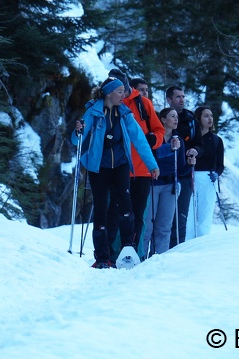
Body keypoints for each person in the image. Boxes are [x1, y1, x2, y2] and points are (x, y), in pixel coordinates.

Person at [71, 76, 160, 269]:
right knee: (101, 209)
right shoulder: (93, 112)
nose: (124, 95)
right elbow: (76, 141)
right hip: (98, 167)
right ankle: (102, 256)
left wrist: (152, 165)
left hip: (120, 165)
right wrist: (78, 131)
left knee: (125, 205)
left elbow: (140, 140)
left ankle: (128, 247)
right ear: (109, 93)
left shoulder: (125, 114)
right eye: (120, 92)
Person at [105, 69, 165, 260]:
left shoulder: (143, 104)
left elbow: (159, 130)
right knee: (114, 213)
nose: (120, 92)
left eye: (122, 88)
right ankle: (111, 254)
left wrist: (152, 140)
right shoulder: (111, 103)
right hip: (117, 168)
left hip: (141, 170)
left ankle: (133, 254)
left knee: (138, 215)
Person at [142, 108, 193, 257]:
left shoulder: (179, 141)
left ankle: (158, 258)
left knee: (164, 226)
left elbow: (181, 169)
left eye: (176, 116)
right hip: (153, 184)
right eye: (172, 116)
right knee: (148, 226)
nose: (176, 119)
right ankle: (142, 257)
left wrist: (190, 165)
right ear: (163, 119)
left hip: (170, 186)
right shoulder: (154, 138)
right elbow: (150, 157)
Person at [165, 86, 204, 248]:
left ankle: (176, 251)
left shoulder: (191, 121)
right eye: (178, 97)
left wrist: (195, 150)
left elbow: (200, 145)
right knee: (163, 218)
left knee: (180, 218)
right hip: (164, 176)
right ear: (169, 100)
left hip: (185, 174)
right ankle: (158, 252)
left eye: (183, 97)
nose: (182, 100)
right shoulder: (162, 118)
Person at [186, 106, 225, 238]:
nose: (210, 119)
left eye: (211, 116)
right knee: (189, 212)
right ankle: (187, 242)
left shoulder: (216, 140)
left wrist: (216, 174)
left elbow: (220, 165)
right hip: (191, 176)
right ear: (198, 118)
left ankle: (203, 240)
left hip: (208, 178)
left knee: (206, 212)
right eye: (206, 116)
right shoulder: (191, 138)